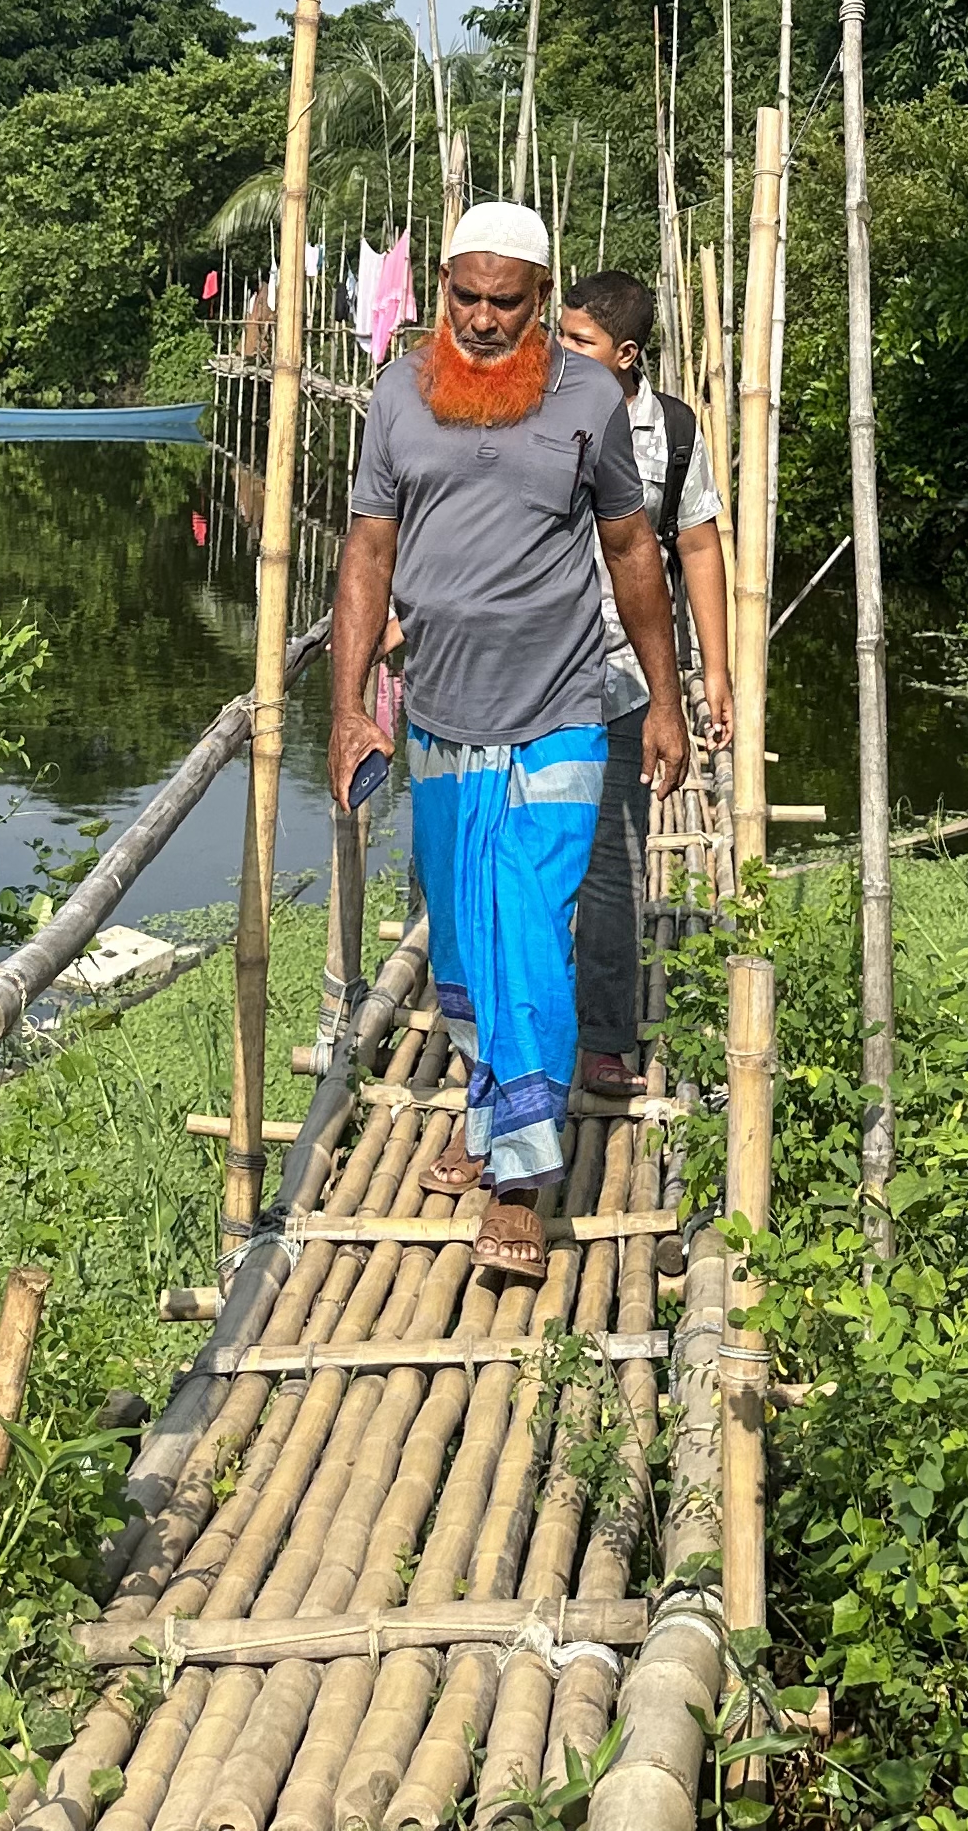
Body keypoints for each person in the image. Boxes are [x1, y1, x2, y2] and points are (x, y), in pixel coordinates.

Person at [328, 201, 688, 1279]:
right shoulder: (400, 393)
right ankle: (493, 1102)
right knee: (466, 932)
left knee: (531, 917)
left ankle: (524, 1174)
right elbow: (365, 553)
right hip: (439, 709)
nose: (482, 320)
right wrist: (349, 706)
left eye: (506, 301)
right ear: (442, 289)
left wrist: (663, 698)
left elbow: (633, 552)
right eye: (465, 298)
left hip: (565, 704)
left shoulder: (587, 398)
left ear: (542, 300)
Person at [556, 269, 733, 1100]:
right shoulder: (537, 406)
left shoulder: (672, 434)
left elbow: (695, 544)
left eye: (580, 342)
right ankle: (515, 1033)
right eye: (559, 336)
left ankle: (601, 1040)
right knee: (521, 853)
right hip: (531, 669)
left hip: (625, 674)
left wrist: (711, 676)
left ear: (626, 356)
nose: (562, 352)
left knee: (612, 861)